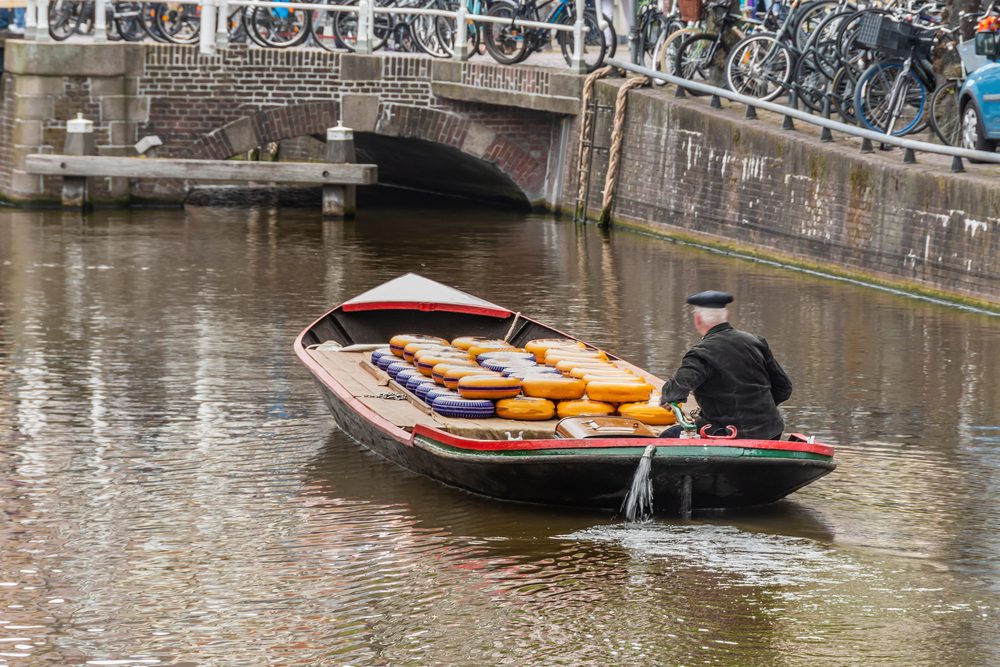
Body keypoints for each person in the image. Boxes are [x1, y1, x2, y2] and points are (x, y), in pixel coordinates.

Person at [659, 290, 792, 440]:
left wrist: (667, 397)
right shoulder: (756, 342)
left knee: (668, 436)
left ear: (697, 319)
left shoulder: (701, 353)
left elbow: (675, 391)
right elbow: (784, 388)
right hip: (770, 432)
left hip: (727, 435)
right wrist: (758, 409)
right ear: (726, 317)